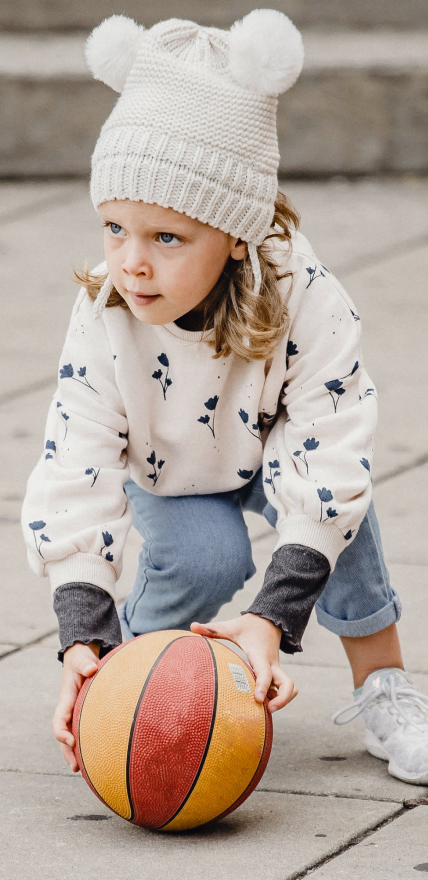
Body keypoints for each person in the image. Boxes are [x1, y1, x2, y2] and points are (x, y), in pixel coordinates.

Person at [21, 10, 428, 787]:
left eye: (165, 238)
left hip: (280, 448)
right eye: (114, 229)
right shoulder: (107, 313)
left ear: (236, 233)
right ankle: (126, 674)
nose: (131, 265)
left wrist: (274, 618)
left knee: (348, 523)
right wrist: (85, 637)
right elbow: (75, 464)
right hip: (171, 465)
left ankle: (384, 686)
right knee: (205, 558)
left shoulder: (308, 299)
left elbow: (331, 449)